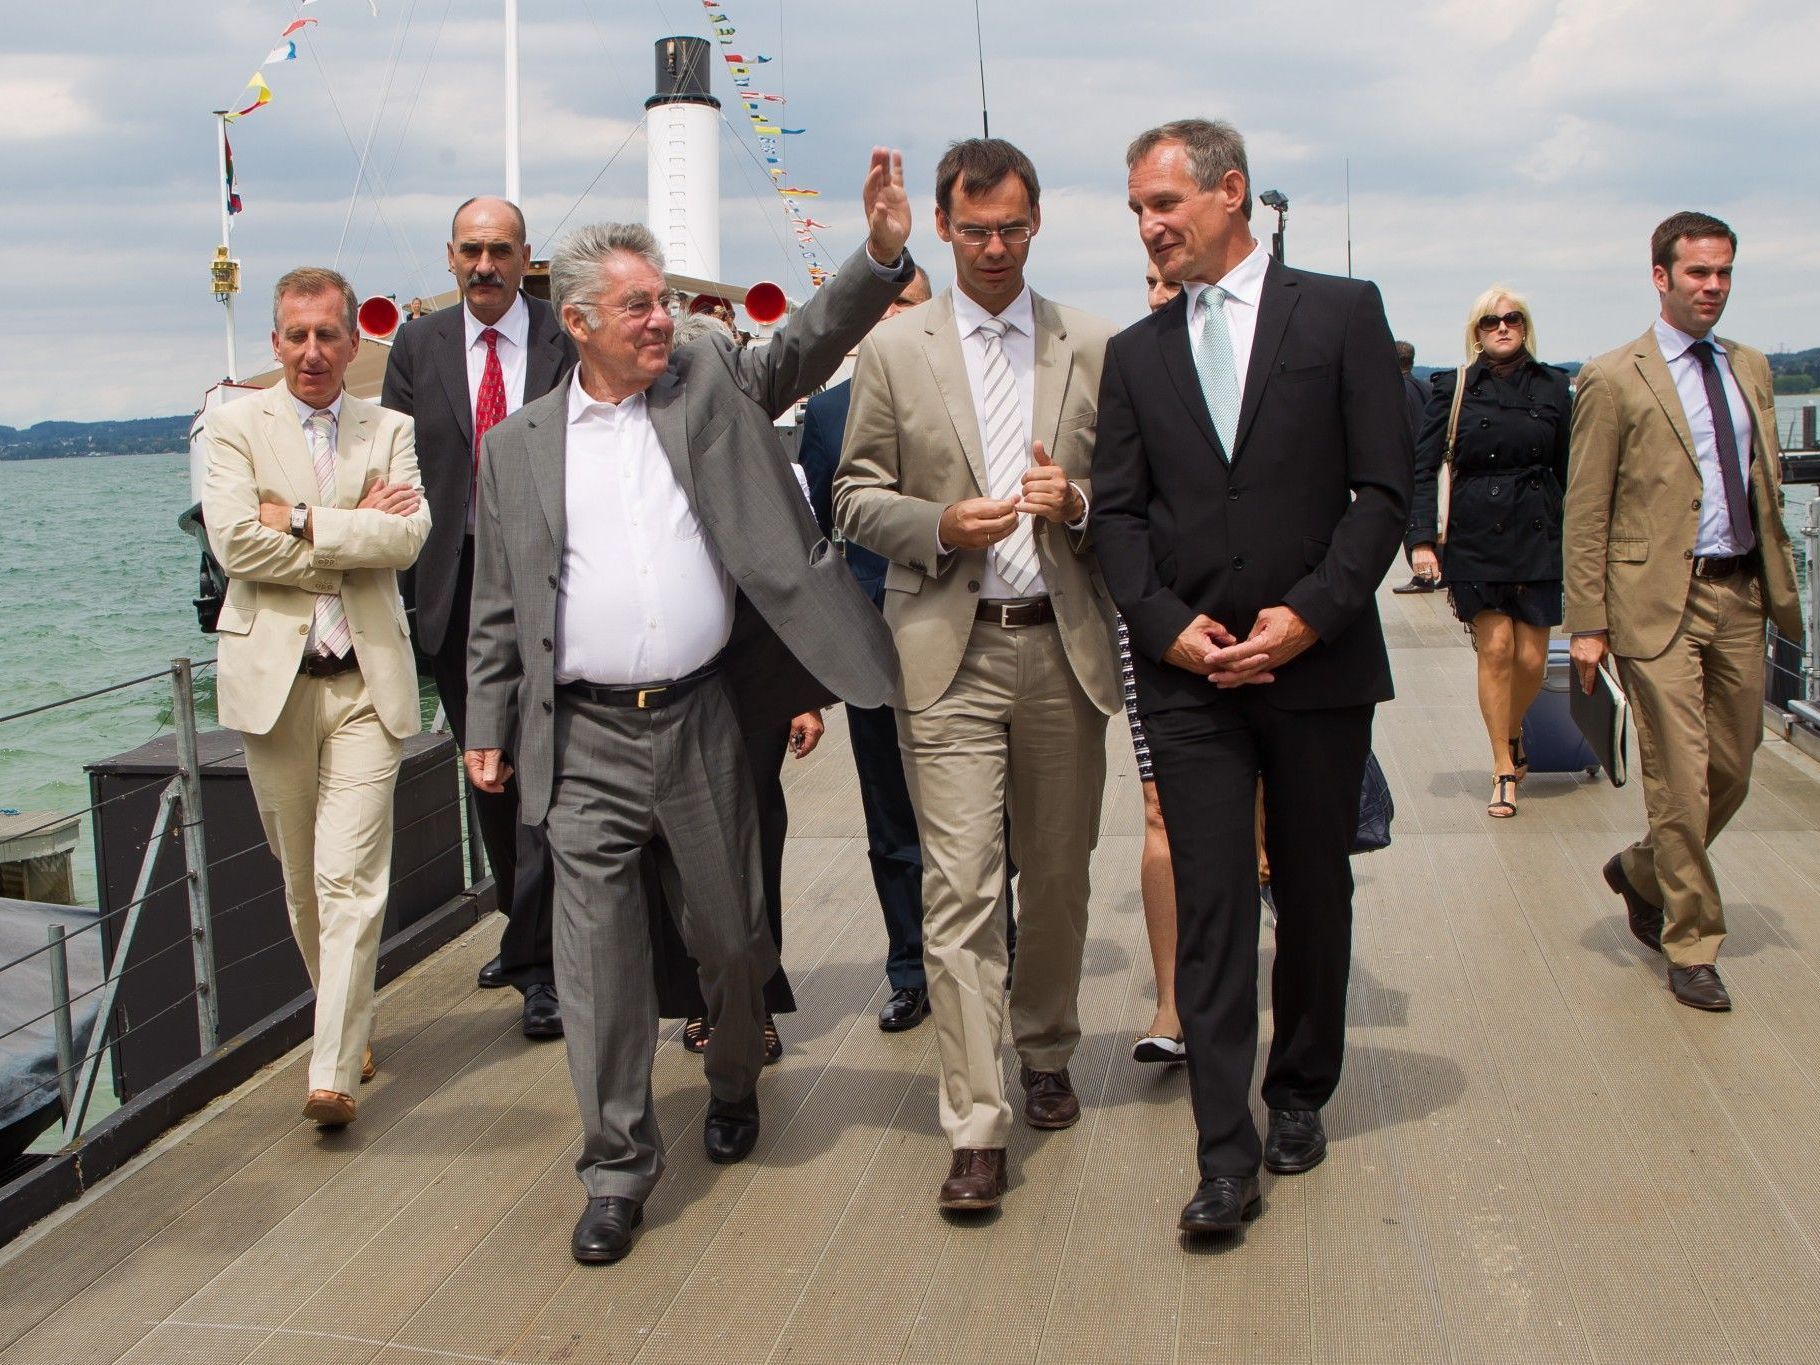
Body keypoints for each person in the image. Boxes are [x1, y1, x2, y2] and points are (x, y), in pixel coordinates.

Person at [463, 148, 912, 1265]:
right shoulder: (513, 450)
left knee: (729, 937)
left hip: (704, 720)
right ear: (577, 321)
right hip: (581, 736)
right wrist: (484, 725)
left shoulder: (708, 378)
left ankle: (730, 1074)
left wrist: (881, 256)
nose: (659, 320)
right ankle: (616, 1166)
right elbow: (495, 602)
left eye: (661, 300)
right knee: (598, 962)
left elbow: (804, 343)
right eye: (637, 306)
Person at [1093, 119, 1409, 1237]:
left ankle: (1297, 1093)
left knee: (1313, 889)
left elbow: (1382, 490)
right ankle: (1221, 1154)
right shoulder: (1134, 355)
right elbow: (1117, 520)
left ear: (1230, 194)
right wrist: (1167, 628)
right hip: (1190, 680)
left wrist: (1309, 615)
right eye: (1136, 209)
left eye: (1164, 203)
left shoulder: (1340, 314)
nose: (1149, 225)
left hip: (1314, 666)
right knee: (1217, 906)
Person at [837, 138, 1120, 1213]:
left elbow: (1131, 499)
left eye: (1010, 228)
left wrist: (1079, 502)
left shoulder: (1092, 344)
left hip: (1061, 644)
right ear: (943, 229)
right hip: (946, 651)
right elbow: (851, 494)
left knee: (1053, 876)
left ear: (1035, 222)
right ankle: (974, 1118)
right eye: (972, 230)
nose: (992, 247)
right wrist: (936, 525)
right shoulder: (896, 350)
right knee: (958, 888)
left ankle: (1044, 1044)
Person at [201, 267, 432, 1128]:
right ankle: (350, 1021)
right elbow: (233, 545)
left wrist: (294, 519)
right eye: (296, 335)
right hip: (275, 688)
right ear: (274, 342)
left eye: (327, 334)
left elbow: (406, 538)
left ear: (352, 341)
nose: (311, 352)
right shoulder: (235, 427)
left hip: (366, 682)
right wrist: (346, 531)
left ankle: (329, 1069)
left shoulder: (391, 428)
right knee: (302, 882)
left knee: (350, 878)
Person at [1566, 211, 1802, 1012]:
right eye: (1698, 273)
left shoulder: (1753, 369)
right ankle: (1692, 939)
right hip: (1653, 600)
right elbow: (1586, 505)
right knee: (1679, 777)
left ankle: (1640, 870)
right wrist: (1587, 622)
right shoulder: (1613, 376)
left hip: (1740, 592)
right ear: (1660, 277)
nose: (1714, 287)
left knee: (1733, 765)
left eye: (1725, 272)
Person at [380, 196, 574, 1038]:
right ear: (450, 257)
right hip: (455, 593)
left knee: (549, 773)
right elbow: (394, 461)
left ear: (526, 255)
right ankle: (524, 924)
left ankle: (542, 960)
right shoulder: (416, 346)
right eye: (471, 251)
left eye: (500, 250)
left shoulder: (566, 338)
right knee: (488, 772)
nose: (485, 265)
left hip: (557, 586)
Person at [651, 307, 831, 1059]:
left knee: (753, 832)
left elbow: (802, 579)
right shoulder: (642, 461)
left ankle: (754, 1001)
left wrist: (806, 695)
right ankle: (700, 995)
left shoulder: (775, 465)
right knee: (669, 849)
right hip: (668, 680)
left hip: (755, 677)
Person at [798, 266, 939, 1032]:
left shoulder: (967, 392)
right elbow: (818, 539)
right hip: (874, 648)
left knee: (991, 814)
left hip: (967, 638)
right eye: (881, 305)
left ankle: (997, 952)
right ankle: (911, 967)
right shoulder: (828, 413)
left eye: (908, 304)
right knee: (892, 820)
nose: (892, 316)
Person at [1406, 289, 1572, 818]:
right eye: (1490, 321)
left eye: (1513, 318)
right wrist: (1421, 542)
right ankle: (1502, 764)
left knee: (1532, 658)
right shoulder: (1453, 388)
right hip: (1477, 531)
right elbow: (1423, 465)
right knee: (1496, 648)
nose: (1503, 327)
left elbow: (1572, 467)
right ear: (1476, 332)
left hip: (1540, 528)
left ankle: (1514, 727)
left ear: (1525, 326)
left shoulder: (1554, 386)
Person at [1391, 341, 1442, 595]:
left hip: (1412, 463)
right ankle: (1439, 571)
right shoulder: (1425, 386)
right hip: (1432, 460)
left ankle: (1422, 575)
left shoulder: (1398, 389)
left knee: (1413, 519)